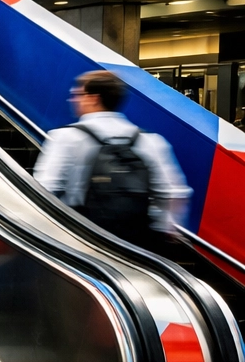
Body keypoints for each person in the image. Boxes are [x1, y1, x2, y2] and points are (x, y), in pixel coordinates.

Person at [33, 70, 190, 248]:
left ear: (94, 98)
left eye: (77, 94)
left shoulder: (65, 137)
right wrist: (165, 227)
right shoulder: (150, 141)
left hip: (83, 239)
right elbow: (175, 193)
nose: (73, 99)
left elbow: (45, 188)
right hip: (136, 243)